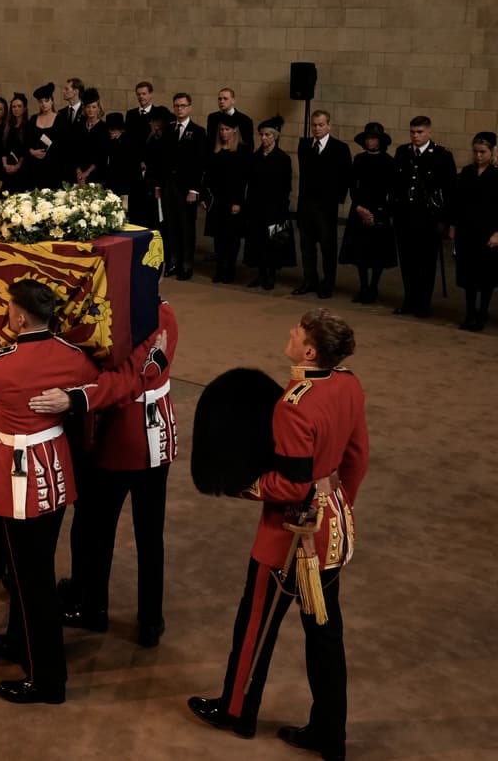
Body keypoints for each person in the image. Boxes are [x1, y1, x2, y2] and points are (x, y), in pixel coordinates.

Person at [188, 309, 368, 761]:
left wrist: (242, 486)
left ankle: (236, 711)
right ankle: (330, 731)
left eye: (298, 332)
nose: (290, 333)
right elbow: (357, 456)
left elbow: (291, 486)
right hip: (331, 528)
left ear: (309, 351)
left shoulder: (294, 404)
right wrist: (338, 504)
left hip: (290, 536)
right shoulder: (348, 384)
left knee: (256, 624)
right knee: (326, 633)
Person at [0, 280, 101, 705]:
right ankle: (22, 643)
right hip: (55, 472)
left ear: (19, 318)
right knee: (33, 570)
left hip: (19, 481)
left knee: (31, 581)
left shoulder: (1, 364)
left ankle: (47, 678)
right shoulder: (72, 356)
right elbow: (94, 385)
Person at [30, 299, 178, 648]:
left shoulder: (135, 315)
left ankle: (93, 607)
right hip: (156, 435)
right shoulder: (162, 312)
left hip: (119, 437)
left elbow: (123, 383)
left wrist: (75, 398)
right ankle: (149, 619)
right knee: (147, 534)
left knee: (95, 527)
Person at [391, 116, 455, 317]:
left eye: (419, 132)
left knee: (426, 263)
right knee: (407, 262)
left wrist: (446, 221)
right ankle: (409, 300)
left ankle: (423, 304)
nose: (415, 136)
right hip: (405, 217)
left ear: (428, 132)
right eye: (412, 132)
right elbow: (395, 184)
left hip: (428, 219)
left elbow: (450, 191)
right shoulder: (403, 152)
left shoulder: (442, 155)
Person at [294, 110, 351, 300]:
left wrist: (336, 199)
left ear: (329, 125)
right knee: (307, 247)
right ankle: (310, 280)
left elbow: (345, 176)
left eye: (321, 125)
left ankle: (327, 283)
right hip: (306, 206)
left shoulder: (340, 148)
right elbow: (304, 178)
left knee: (328, 248)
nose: (317, 128)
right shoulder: (304, 145)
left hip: (326, 208)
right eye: (314, 125)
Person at [339, 122, 398, 304]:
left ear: (380, 141)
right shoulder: (359, 159)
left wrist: (377, 214)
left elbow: (392, 190)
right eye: (367, 138)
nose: (370, 141)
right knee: (360, 252)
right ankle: (363, 286)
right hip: (359, 208)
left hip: (380, 210)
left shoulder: (389, 162)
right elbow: (352, 185)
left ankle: (373, 286)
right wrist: (358, 207)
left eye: (373, 138)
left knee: (377, 252)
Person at [450, 132, 498, 331]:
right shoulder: (467, 172)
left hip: (488, 233)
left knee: (486, 276)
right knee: (468, 275)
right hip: (466, 231)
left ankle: (482, 313)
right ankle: (470, 313)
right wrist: (453, 226)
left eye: (482, 152)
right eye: (475, 151)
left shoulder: (496, 175)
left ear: (492, 151)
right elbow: (457, 202)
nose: (478, 156)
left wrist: (497, 233)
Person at [244, 116, 295, 290]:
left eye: (267, 135)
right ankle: (260, 273)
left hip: (274, 208)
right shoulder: (255, 157)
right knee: (257, 240)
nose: (264, 138)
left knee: (272, 242)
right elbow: (250, 183)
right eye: (261, 135)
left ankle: (271, 275)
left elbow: (286, 186)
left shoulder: (283, 158)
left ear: (275, 136)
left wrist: (281, 208)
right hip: (256, 206)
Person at [161, 92, 206, 280]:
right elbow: (162, 160)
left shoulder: (198, 131)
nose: (179, 109)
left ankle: (186, 264)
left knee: (186, 227)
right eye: (177, 106)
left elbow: (200, 163)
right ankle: (173, 261)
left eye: (183, 106)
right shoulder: (168, 130)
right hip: (169, 186)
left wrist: (194, 189)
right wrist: (160, 185)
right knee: (171, 226)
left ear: (190, 108)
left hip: (187, 187)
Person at [204, 116, 253, 283]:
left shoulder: (242, 151)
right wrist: (205, 197)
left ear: (234, 131)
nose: (224, 133)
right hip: (217, 200)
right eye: (221, 130)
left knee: (232, 237)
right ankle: (220, 269)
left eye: (227, 129)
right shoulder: (216, 150)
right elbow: (209, 176)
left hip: (233, 200)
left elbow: (243, 179)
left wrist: (238, 202)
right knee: (218, 237)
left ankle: (230, 270)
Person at [26, 82, 61, 189]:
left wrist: (49, 154)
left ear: (52, 101)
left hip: (53, 166)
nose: (44, 104)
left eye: (46, 100)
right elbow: (26, 141)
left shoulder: (60, 119)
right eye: (41, 101)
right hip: (35, 166)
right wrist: (32, 152)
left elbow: (63, 144)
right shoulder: (33, 119)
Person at [0, 93, 30, 193]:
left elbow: (26, 149)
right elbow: (3, 147)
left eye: (19, 106)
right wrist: (5, 164)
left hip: (22, 168)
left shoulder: (28, 126)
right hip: (7, 168)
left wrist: (17, 166)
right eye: (14, 107)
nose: (16, 109)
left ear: (24, 108)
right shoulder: (7, 126)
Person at [126, 80, 158, 145]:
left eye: (144, 94)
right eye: (138, 94)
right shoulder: (130, 114)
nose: (141, 96)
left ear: (150, 94)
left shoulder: (158, 113)